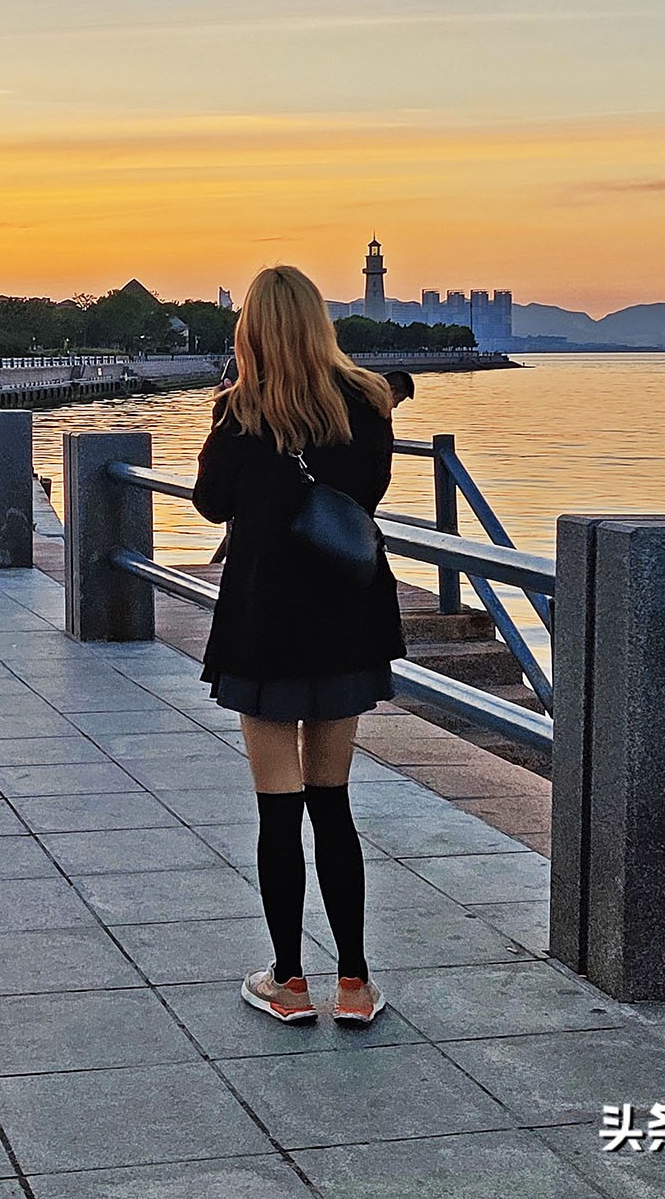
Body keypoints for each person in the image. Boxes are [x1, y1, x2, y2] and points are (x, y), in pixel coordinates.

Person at [193, 264, 402, 1026]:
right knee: (333, 802)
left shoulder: (239, 411)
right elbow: (368, 492)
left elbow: (209, 501)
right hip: (345, 622)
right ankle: (354, 983)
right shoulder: (367, 404)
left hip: (265, 626)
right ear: (321, 324)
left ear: (250, 331)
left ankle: (288, 981)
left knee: (278, 809)